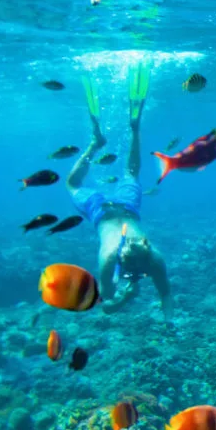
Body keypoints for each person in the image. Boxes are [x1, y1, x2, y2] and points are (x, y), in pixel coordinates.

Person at [64, 64, 173, 317]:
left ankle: (108, 139)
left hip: (125, 207)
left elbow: (108, 303)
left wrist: (124, 299)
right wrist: (125, 300)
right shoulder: (133, 259)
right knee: (80, 184)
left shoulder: (140, 259)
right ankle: (121, 133)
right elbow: (110, 307)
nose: (135, 274)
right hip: (103, 210)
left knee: (126, 175)